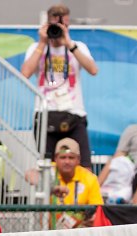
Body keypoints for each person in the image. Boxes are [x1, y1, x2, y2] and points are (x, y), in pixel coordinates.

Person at [21, 4, 98, 168]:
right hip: (45, 113)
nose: (59, 30)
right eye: (55, 26)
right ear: (47, 24)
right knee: (48, 167)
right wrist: (42, 43)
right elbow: (25, 73)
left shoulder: (78, 46)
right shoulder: (36, 48)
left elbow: (93, 70)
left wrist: (69, 43)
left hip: (74, 112)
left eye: (64, 26)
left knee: (84, 165)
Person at [50, 137, 103, 228]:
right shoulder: (48, 171)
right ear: (55, 159)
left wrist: (92, 218)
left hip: (79, 229)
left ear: (78, 160)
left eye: (71, 158)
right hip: (49, 228)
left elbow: (98, 208)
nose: (67, 162)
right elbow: (32, 174)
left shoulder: (90, 178)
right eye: (62, 157)